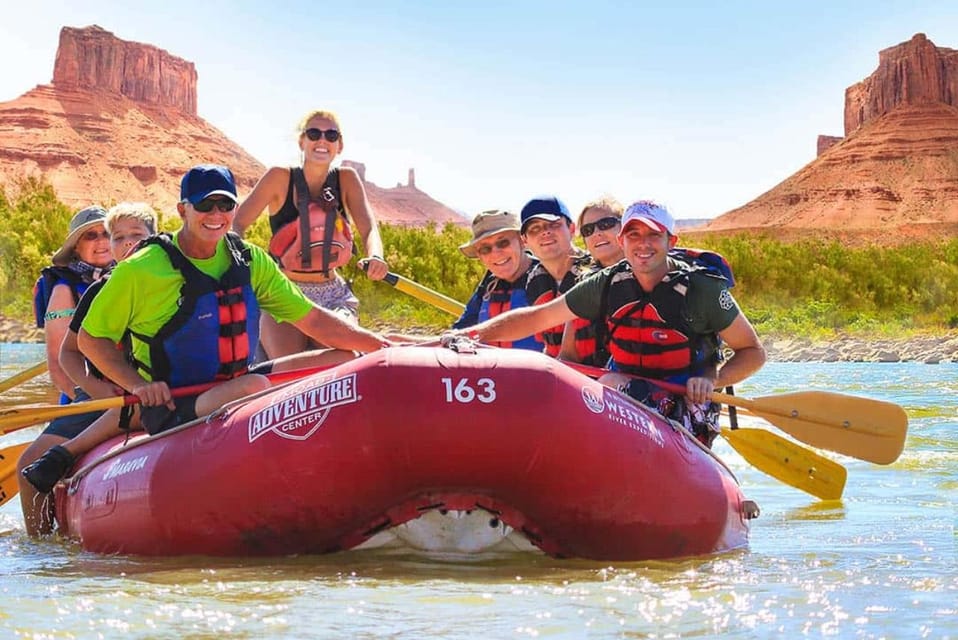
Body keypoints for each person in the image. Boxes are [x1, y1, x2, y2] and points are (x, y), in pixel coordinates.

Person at [22, 165, 392, 510]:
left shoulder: (250, 260)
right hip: (167, 402)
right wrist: (136, 386)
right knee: (249, 387)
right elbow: (89, 342)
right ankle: (64, 458)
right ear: (183, 210)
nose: (216, 214)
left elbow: (312, 319)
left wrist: (379, 346)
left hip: (229, 382)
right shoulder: (140, 270)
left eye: (225, 204)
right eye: (205, 205)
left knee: (344, 358)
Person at [449, 200, 766, 447]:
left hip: (685, 391)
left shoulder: (701, 290)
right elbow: (538, 318)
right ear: (623, 240)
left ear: (671, 239)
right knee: (609, 385)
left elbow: (753, 351)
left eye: (653, 235)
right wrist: (464, 337)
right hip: (625, 388)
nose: (643, 244)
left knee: (615, 387)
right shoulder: (608, 282)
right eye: (633, 234)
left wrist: (714, 380)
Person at [17, 202, 157, 536]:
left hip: (146, 391)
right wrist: (97, 395)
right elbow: (62, 358)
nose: (106, 242)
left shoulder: (166, 280)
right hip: (98, 396)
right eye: (95, 236)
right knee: (27, 467)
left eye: (104, 235)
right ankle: (41, 545)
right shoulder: (73, 289)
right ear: (76, 246)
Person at [232, 109, 389, 358]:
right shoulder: (278, 177)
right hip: (284, 290)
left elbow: (368, 227)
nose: (322, 141)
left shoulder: (347, 179)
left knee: (343, 356)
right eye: (314, 133)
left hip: (332, 292)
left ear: (340, 145)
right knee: (291, 364)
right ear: (302, 141)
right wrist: (238, 260)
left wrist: (376, 256)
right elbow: (237, 224)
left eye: (331, 135)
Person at [34, 206, 115, 402]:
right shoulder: (64, 290)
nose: (101, 241)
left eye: (107, 233)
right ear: (76, 247)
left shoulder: (126, 277)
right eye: (91, 236)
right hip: (85, 399)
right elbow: (57, 365)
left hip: (128, 389)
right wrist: (96, 403)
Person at [452, 209, 543, 350]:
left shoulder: (547, 278)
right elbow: (460, 331)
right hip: (492, 369)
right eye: (485, 249)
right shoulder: (489, 284)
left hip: (540, 370)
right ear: (479, 255)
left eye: (503, 243)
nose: (495, 253)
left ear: (522, 240)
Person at [519, 195, 593, 357]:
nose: (545, 232)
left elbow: (569, 356)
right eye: (534, 229)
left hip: (600, 377)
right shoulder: (535, 281)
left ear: (572, 229)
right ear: (524, 241)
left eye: (554, 225)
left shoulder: (595, 273)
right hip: (561, 372)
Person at [559, 197, 625, 366]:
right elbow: (567, 355)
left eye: (606, 224)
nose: (596, 233)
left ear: (625, 227)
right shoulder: (582, 285)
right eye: (588, 230)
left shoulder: (652, 276)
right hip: (590, 388)